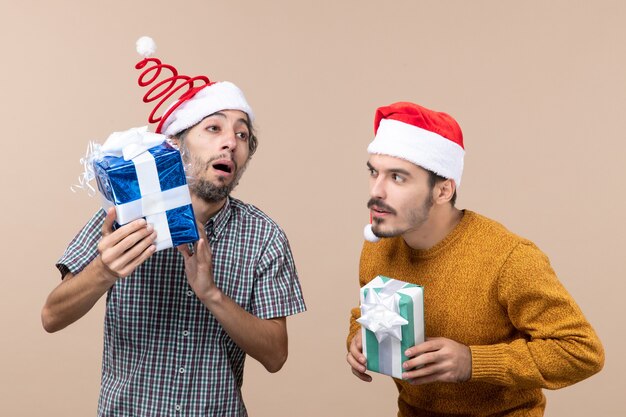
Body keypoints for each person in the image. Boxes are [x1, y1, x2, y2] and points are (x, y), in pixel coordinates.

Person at [41, 38, 306, 417]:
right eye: (213, 128)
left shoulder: (263, 236)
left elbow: (276, 355)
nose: (231, 142)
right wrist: (104, 271)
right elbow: (51, 316)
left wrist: (210, 292)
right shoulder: (125, 213)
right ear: (175, 145)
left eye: (242, 134)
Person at [346, 101, 604, 417]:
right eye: (374, 172)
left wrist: (472, 361)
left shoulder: (508, 259)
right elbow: (366, 311)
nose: (377, 191)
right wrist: (358, 337)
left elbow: (581, 351)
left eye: (397, 178)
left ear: (442, 190)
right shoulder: (379, 244)